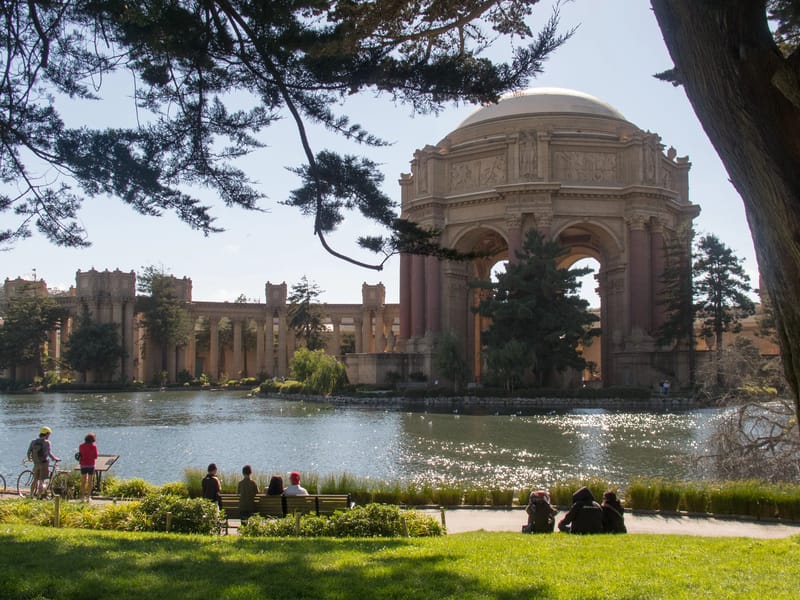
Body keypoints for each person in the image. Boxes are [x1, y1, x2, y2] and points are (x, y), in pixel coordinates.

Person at [26, 426, 60, 498]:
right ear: (46, 434)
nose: (49, 436)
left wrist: (31, 459)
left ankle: (31, 495)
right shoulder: (47, 442)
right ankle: (39, 496)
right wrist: (55, 458)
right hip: (44, 463)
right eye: (49, 434)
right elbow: (49, 453)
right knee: (42, 481)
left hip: (36, 464)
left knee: (35, 480)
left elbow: (28, 452)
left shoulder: (33, 442)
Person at [78, 432, 99, 502]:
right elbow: (96, 456)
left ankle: (82, 497)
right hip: (91, 465)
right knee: (90, 482)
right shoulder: (94, 447)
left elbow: (80, 455)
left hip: (83, 465)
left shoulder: (81, 446)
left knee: (83, 481)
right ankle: (88, 497)